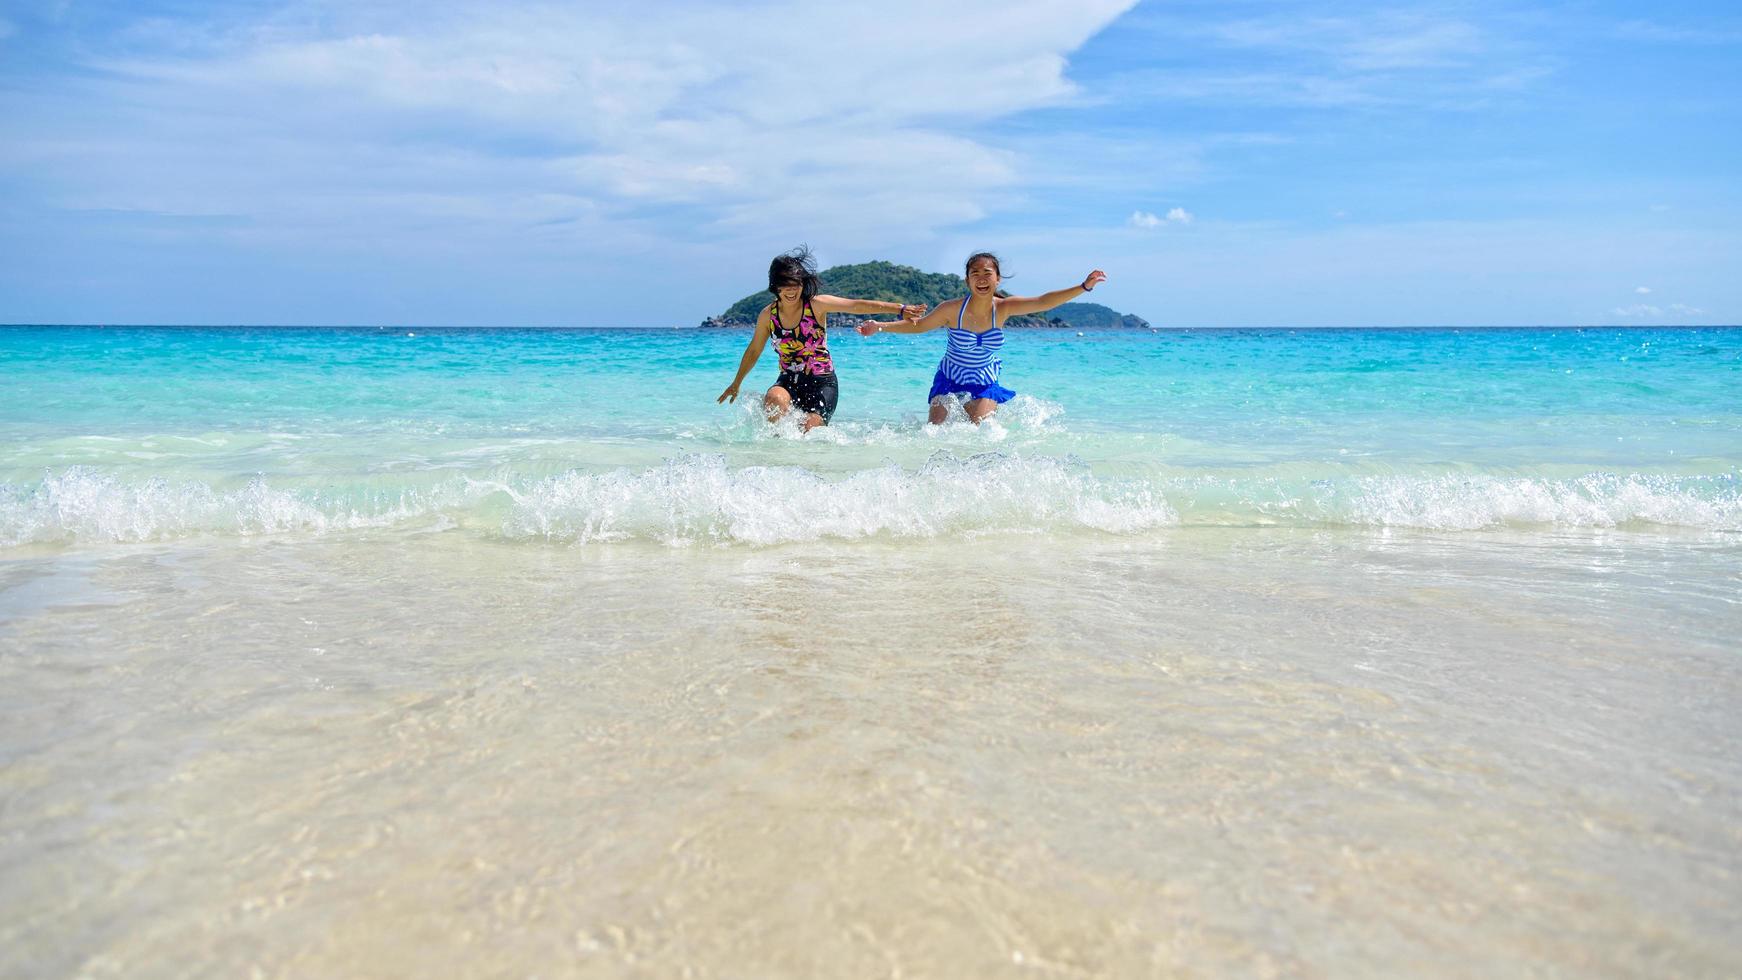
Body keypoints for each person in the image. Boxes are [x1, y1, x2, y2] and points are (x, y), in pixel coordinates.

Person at [857, 252, 1106, 424]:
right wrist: (879, 326)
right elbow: (919, 326)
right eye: (974, 273)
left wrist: (1083, 287)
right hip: (949, 380)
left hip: (984, 381)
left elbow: (1043, 301)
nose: (981, 278)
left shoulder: (1005, 308)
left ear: (997, 279)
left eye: (987, 272)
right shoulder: (952, 309)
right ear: (967, 280)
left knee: (981, 434)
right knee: (934, 434)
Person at [717, 247, 928, 431]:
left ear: (802, 284)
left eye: (796, 284)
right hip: (789, 381)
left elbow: (857, 305)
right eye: (785, 285)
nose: (791, 290)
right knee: (773, 400)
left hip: (822, 383)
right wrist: (737, 383)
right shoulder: (768, 315)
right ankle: (777, 459)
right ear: (775, 286)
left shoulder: (816, 305)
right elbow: (754, 350)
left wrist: (899, 309)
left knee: (808, 429)